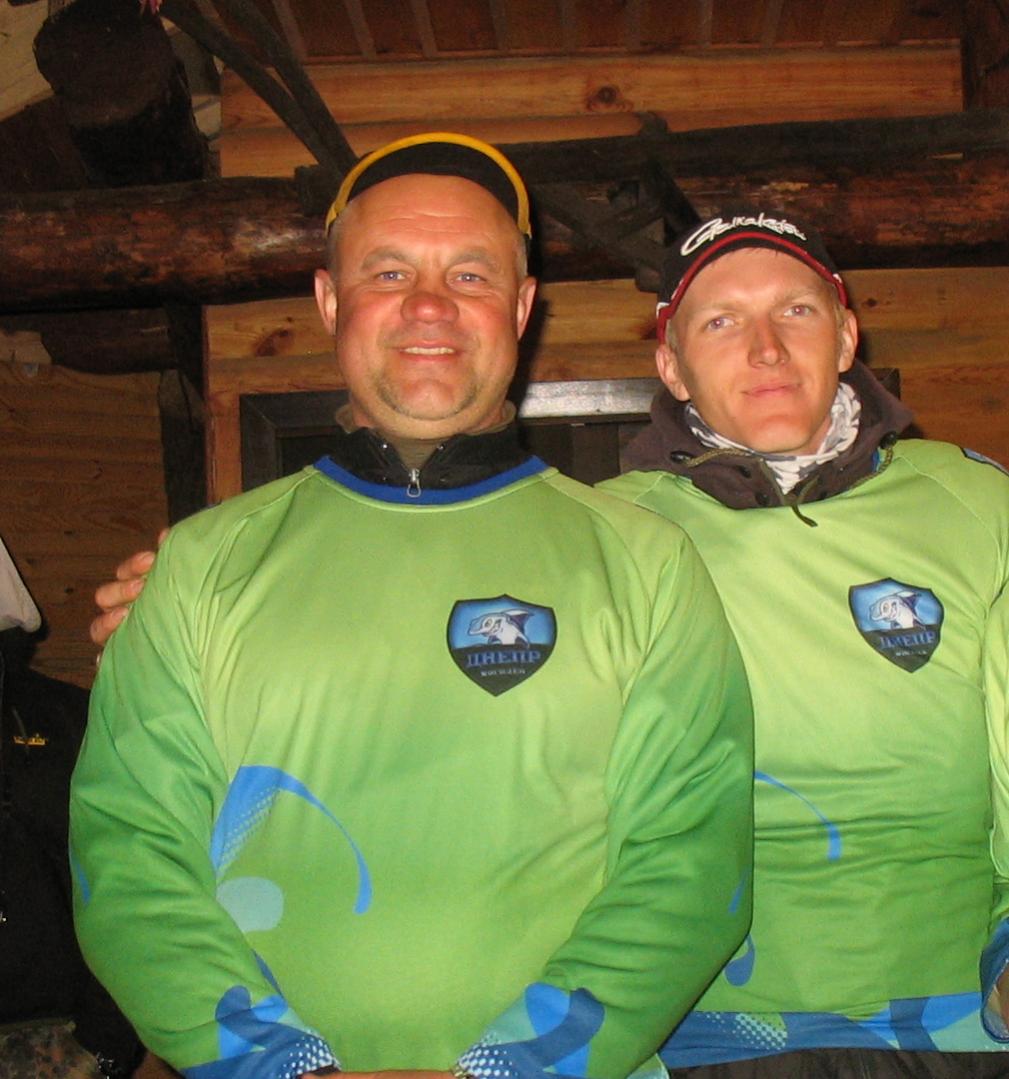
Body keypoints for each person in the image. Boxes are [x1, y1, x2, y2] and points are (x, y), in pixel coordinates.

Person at [70, 134, 753, 1079]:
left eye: (469, 274)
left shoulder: (646, 563)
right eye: (388, 271)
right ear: (329, 301)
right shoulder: (198, 566)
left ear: (521, 308)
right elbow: (129, 852)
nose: (429, 304)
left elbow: (690, 863)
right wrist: (288, 1069)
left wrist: (508, 1070)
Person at [596, 211, 1009, 1077]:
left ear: (846, 334)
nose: (766, 350)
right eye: (721, 321)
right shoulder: (602, 534)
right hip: (695, 1035)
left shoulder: (978, 504)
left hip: (961, 1023)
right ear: (670, 365)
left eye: (795, 311)